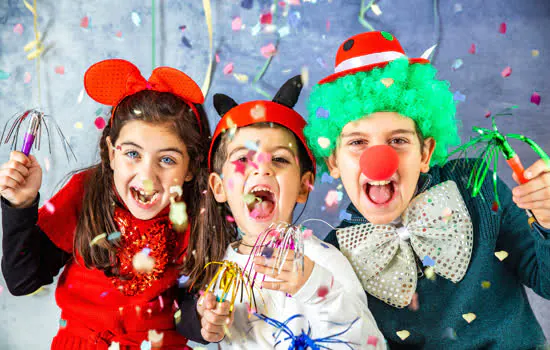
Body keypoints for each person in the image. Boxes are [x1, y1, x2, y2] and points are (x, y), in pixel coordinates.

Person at [303, 31, 550, 349]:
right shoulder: (333, 255)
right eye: (357, 142)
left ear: (425, 152)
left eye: (398, 140)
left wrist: (546, 220)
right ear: (333, 161)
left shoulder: (476, 186)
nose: (380, 160)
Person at [0, 59, 229, 349]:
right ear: (111, 152)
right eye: (133, 153)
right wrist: (20, 205)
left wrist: (207, 323)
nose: (147, 175)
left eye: (167, 159)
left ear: (192, 168)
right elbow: (23, 281)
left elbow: (188, 316)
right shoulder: (86, 193)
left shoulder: (196, 215)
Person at [191, 75, 385, 349]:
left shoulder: (321, 260)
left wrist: (315, 286)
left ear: (304, 186)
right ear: (219, 187)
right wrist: (211, 326)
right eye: (243, 159)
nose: (261, 168)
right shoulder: (222, 268)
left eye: (279, 159)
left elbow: (370, 344)